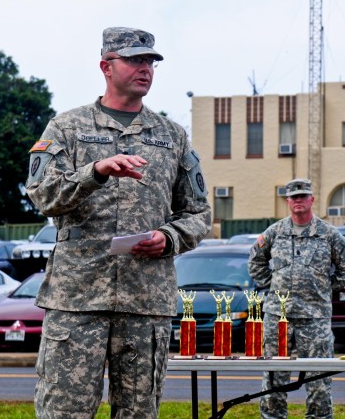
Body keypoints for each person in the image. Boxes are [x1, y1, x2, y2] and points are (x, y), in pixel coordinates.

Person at [26, 27, 212, 418]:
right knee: (64, 412)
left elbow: (199, 213)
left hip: (145, 303)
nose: (146, 68)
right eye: (135, 60)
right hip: (77, 301)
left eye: (151, 61)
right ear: (106, 66)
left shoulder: (172, 136)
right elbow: (42, 194)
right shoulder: (67, 128)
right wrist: (94, 171)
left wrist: (168, 237)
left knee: (139, 413)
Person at [248, 178, 345, 419]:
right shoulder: (275, 232)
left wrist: (322, 289)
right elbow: (255, 261)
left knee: (318, 378)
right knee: (274, 377)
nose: (298, 200)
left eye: (303, 196)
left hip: (314, 317)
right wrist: (272, 284)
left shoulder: (329, 235)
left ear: (312, 200)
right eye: (293, 197)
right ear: (288, 201)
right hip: (278, 317)